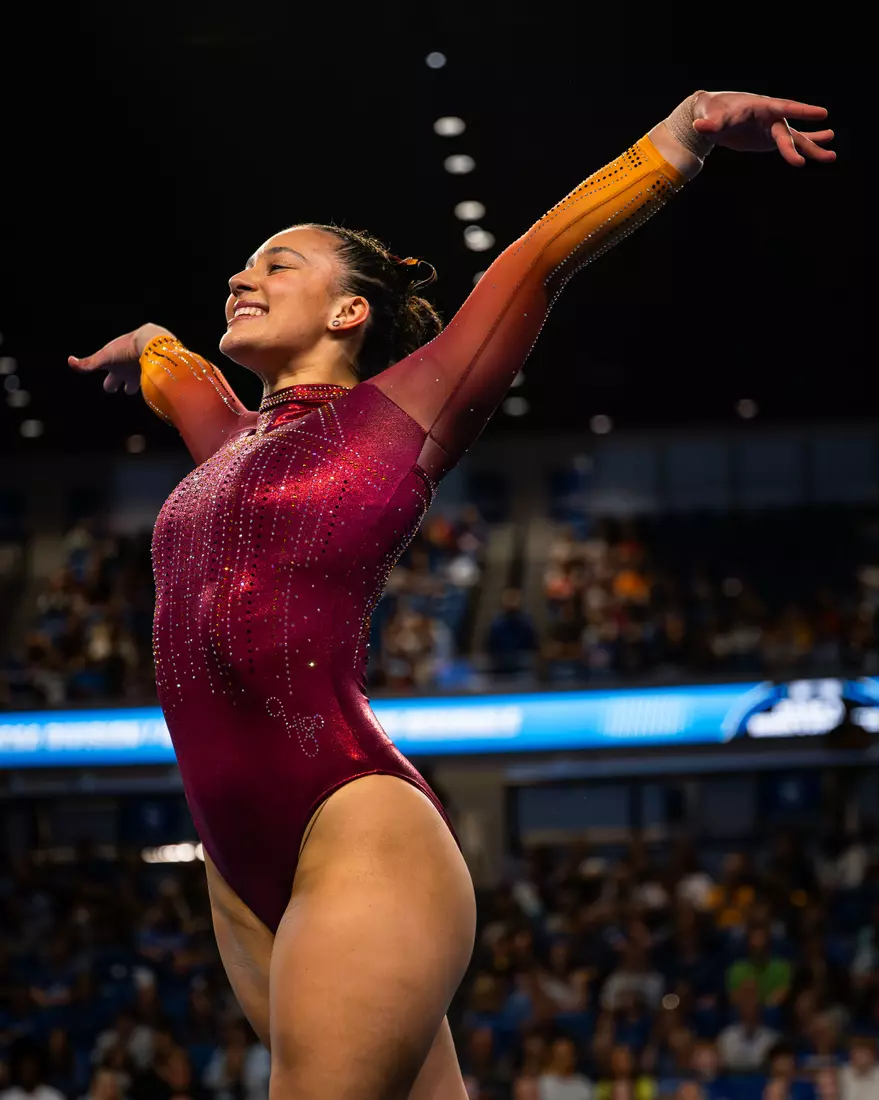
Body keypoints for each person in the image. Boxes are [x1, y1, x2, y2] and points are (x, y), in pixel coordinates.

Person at [68, 89, 835, 1099]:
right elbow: (184, 378)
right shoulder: (230, 447)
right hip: (238, 868)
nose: (240, 276)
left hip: (354, 829)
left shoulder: (402, 413)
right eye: (244, 266)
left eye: (275, 263)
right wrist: (152, 345)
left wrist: (687, 130)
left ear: (351, 311)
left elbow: (539, 256)